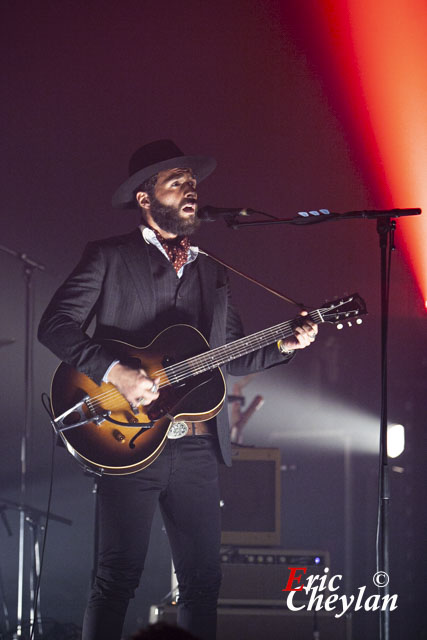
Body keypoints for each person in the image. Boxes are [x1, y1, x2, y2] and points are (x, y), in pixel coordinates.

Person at [38, 139, 318, 640]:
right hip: (126, 437)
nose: (191, 189)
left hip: (196, 448)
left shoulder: (214, 271)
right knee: (116, 580)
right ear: (146, 198)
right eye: (177, 181)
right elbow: (55, 326)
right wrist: (113, 370)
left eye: (193, 182)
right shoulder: (108, 256)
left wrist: (287, 344)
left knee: (203, 583)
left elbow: (234, 353)